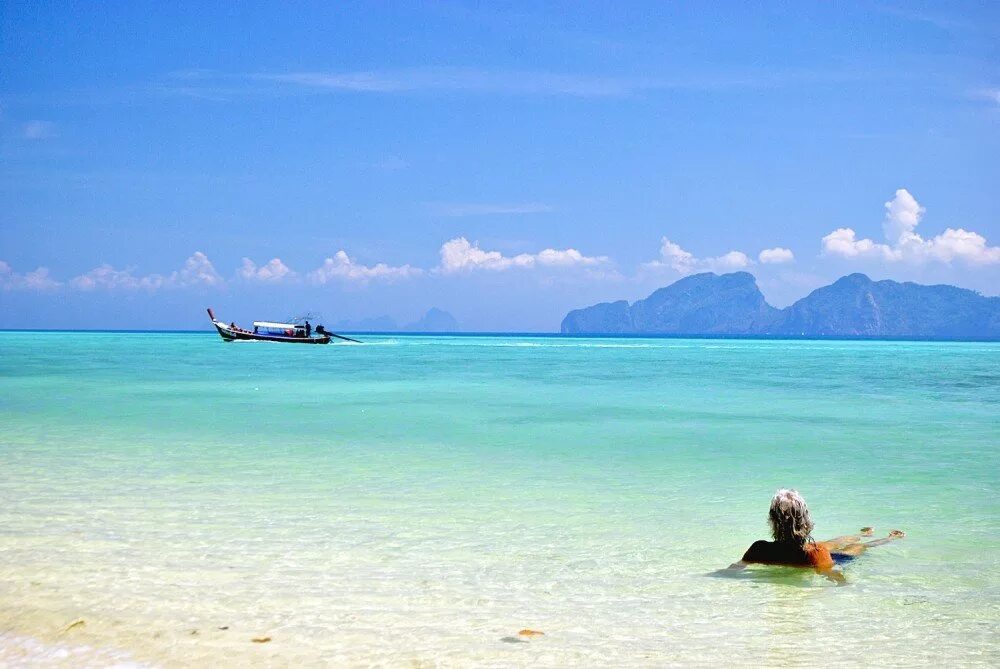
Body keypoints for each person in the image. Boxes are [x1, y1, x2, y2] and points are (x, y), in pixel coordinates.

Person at [727, 489, 904, 583]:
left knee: (829, 544)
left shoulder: (759, 549)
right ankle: (878, 537)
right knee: (855, 548)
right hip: (822, 559)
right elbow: (835, 577)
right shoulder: (816, 553)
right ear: (805, 522)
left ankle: (864, 534)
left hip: (808, 554)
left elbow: (733, 570)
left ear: (772, 520)